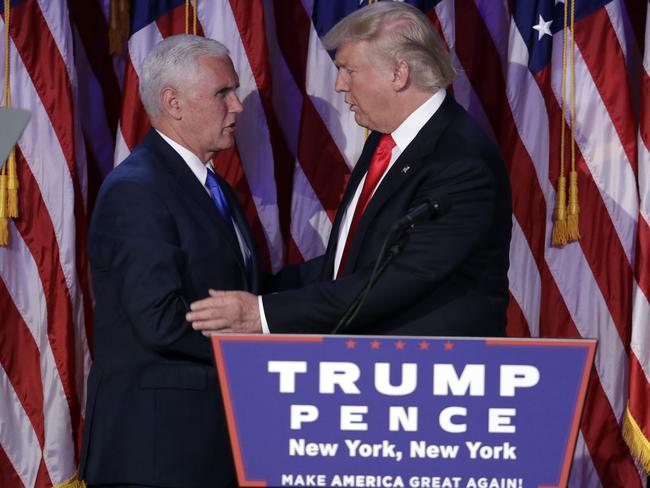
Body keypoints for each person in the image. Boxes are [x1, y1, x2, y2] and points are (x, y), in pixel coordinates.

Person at [187, 1, 512, 338]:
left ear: (399, 74)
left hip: (431, 373)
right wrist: (256, 289)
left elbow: (395, 280)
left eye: (349, 69)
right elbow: (352, 260)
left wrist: (263, 313)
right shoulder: (385, 139)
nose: (340, 84)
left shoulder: (461, 162)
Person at [79, 34, 258, 488]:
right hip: (157, 454)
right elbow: (159, 319)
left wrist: (345, 269)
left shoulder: (208, 185)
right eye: (223, 93)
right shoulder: (138, 190)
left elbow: (244, 291)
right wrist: (259, 350)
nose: (237, 106)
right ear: (172, 103)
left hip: (204, 446)